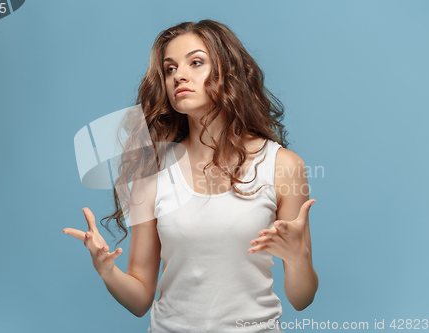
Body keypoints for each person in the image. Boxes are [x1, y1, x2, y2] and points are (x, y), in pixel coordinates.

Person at [63, 19, 318, 332]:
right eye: (170, 69)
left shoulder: (284, 165)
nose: (178, 75)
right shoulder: (151, 170)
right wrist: (106, 271)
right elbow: (140, 299)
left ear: (229, 72)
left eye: (196, 62)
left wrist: (297, 257)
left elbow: (301, 298)